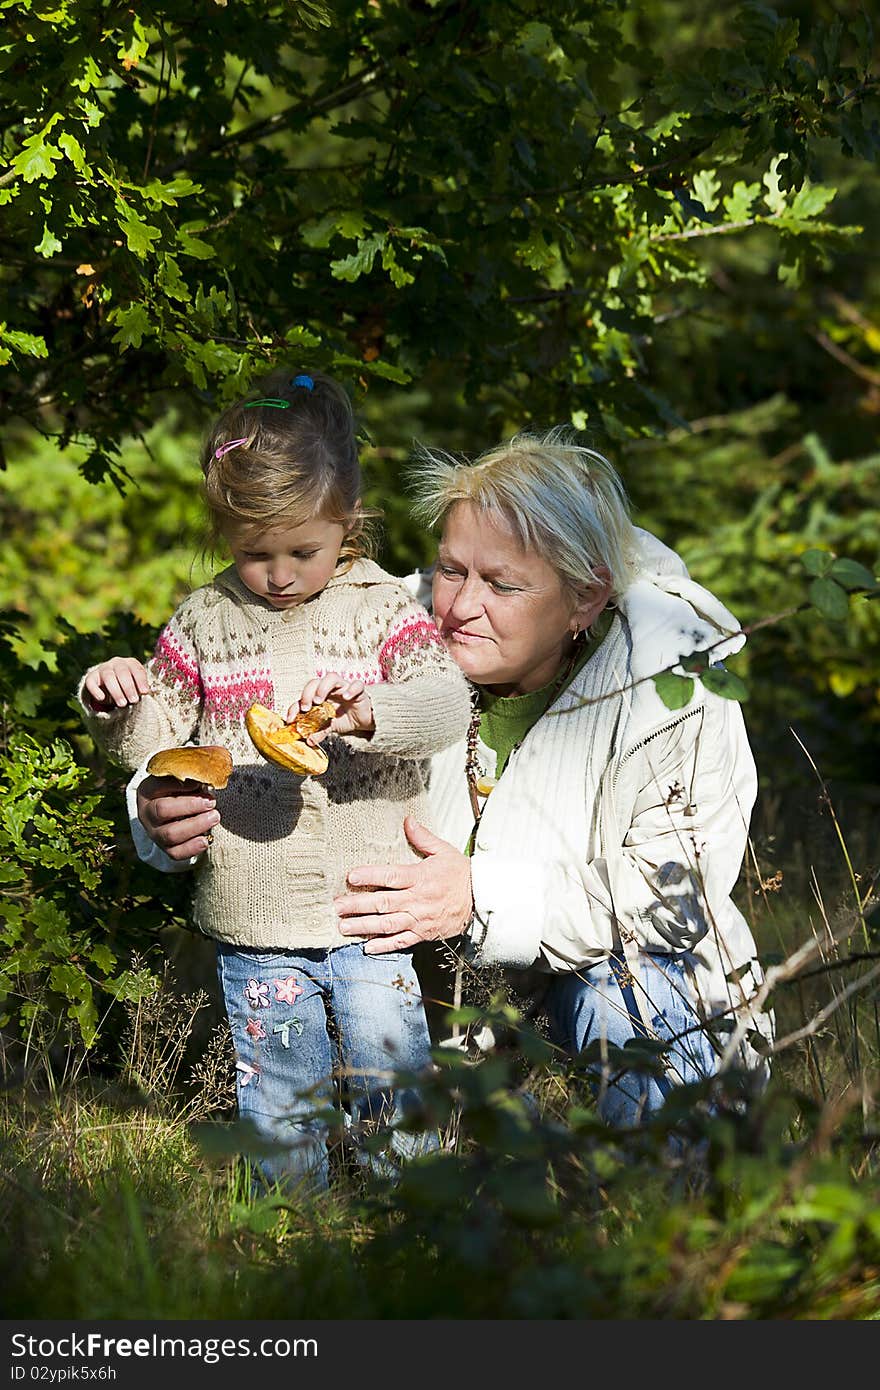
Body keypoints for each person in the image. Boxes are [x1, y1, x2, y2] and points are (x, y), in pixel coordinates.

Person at [132, 428, 774, 1131]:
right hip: (436, 1012)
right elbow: (237, 725)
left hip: (619, 977)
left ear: (585, 598)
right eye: (451, 570)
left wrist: (480, 894)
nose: (461, 607)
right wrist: (161, 811)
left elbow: (673, 893)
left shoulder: (670, 671)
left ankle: (657, 1217)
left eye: (502, 584)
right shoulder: (384, 626)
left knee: (630, 996)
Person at [77, 368, 472, 1191]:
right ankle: (291, 1228)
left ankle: (413, 1219)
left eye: (305, 550)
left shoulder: (379, 609)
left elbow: (445, 705)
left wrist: (370, 715)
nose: (282, 574)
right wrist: (120, 705)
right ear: (225, 535)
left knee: (391, 1077)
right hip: (253, 912)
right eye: (256, 553)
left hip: (369, 907)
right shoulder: (204, 622)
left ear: (348, 522)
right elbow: (157, 745)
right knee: (280, 1092)